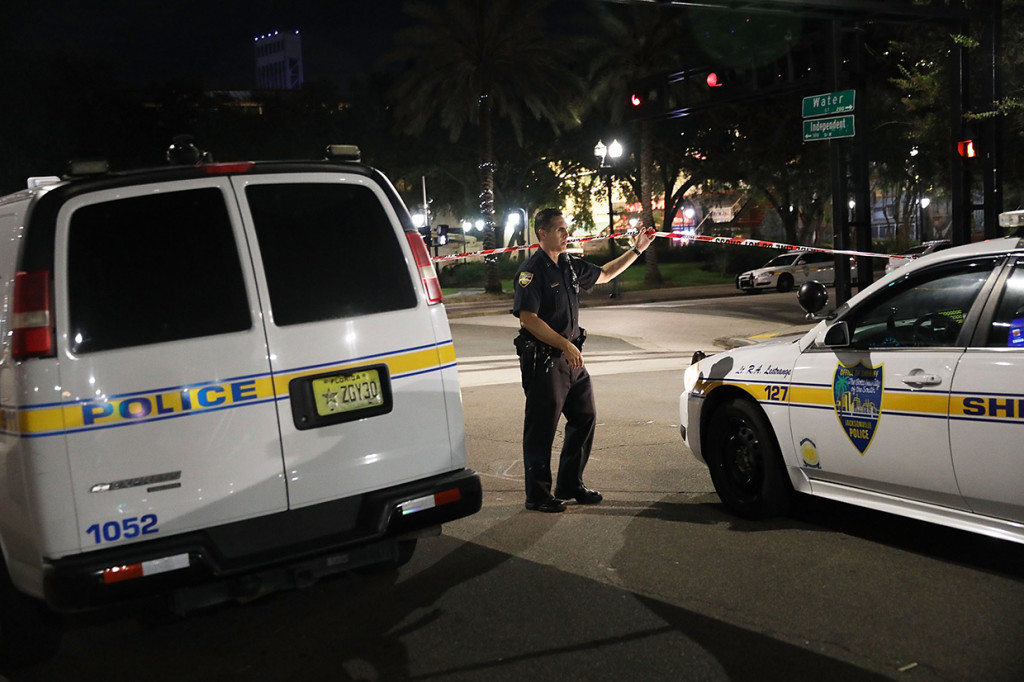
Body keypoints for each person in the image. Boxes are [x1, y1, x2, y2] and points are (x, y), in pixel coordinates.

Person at [512, 208, 655, 512]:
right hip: (546, 361)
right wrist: (564, 344)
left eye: (566, 229)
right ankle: (537, 495)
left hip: (571, 359)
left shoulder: (569, 265)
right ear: (543, 234)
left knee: (585, 417)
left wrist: (637, 249)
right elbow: (528, 319)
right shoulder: (531, 271)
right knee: (541, 429)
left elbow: (605, 273)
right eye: (560, 230)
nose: (567, 234)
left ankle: (569, 483)